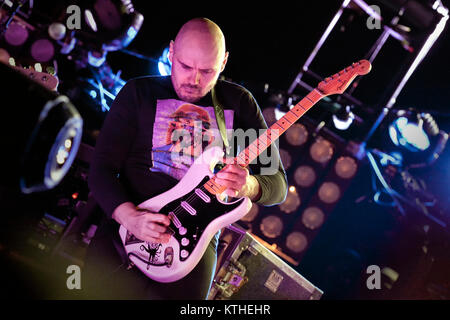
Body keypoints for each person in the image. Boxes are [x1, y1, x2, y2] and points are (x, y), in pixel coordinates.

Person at [84, 17, 287, 300]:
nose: (194, 80)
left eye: (207, 71)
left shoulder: (238, 104)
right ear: (171, 52)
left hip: (193, 252)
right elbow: (101, 171)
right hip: (126, 237)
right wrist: (130, 217)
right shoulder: (140, 93)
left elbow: (277, 185)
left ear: (224, 62)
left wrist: (248, 185)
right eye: (185, 66)